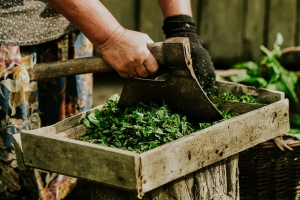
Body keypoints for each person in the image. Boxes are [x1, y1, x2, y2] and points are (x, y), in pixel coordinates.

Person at [0, 0, 216, 199]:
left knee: (61, 175)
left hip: (76, 24)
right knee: (14, 178)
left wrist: (181, 26)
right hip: (9, 38)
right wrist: (112, 37)